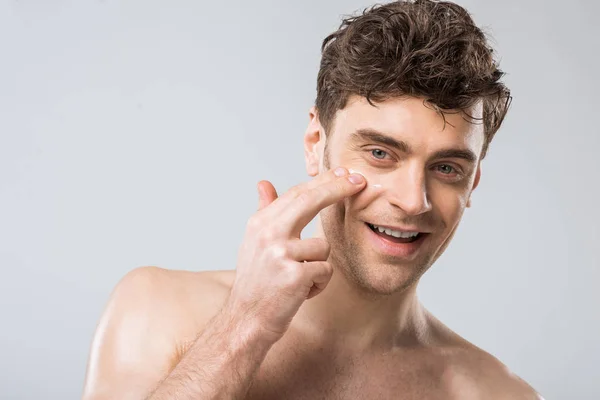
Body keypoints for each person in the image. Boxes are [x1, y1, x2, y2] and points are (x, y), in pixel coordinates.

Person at [82, 1, 544, 398]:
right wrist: (244, 327)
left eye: (447, 168)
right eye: (380, 153)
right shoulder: (158, 311)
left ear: (473, 181)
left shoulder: (498, 394)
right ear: (314, 141)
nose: (412, 200)